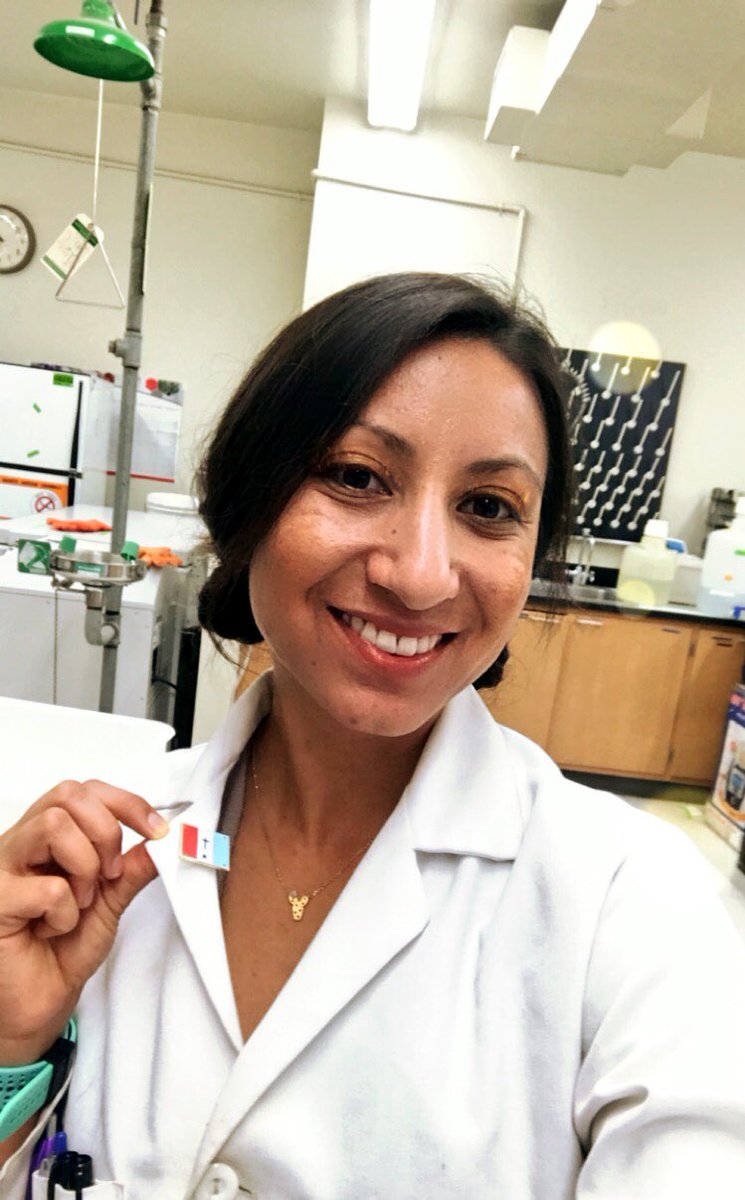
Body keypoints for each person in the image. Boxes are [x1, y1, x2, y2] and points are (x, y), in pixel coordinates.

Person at [0, 272, 743, 1199]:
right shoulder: (101, 863)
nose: (422, 575)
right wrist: (10, 1055)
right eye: (356, 477)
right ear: (249, 499)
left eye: (488, 507)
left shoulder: (633, 908)